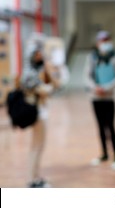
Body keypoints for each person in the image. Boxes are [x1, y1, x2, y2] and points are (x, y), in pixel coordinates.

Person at [21, 33, 68, 188]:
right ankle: (31, 180)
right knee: (36, 146)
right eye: (38, 53)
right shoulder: (29, 74)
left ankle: (36, 176)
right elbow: (46, 90)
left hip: (41, 111)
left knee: (39, 146)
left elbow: (55, 85)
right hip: (37, 114)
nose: (41, 55)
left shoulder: (38, 70)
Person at [84, 30, 115, 170]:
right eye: (102, 41)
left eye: (107, 40)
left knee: (111, 126)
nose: (104, 43)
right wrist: (95, 87)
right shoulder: (92, 57)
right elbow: (87, 76)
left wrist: (106, 88)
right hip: (95, 97)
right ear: (97, 43)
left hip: (109, 97)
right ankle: (104, 154)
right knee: (100, 126)